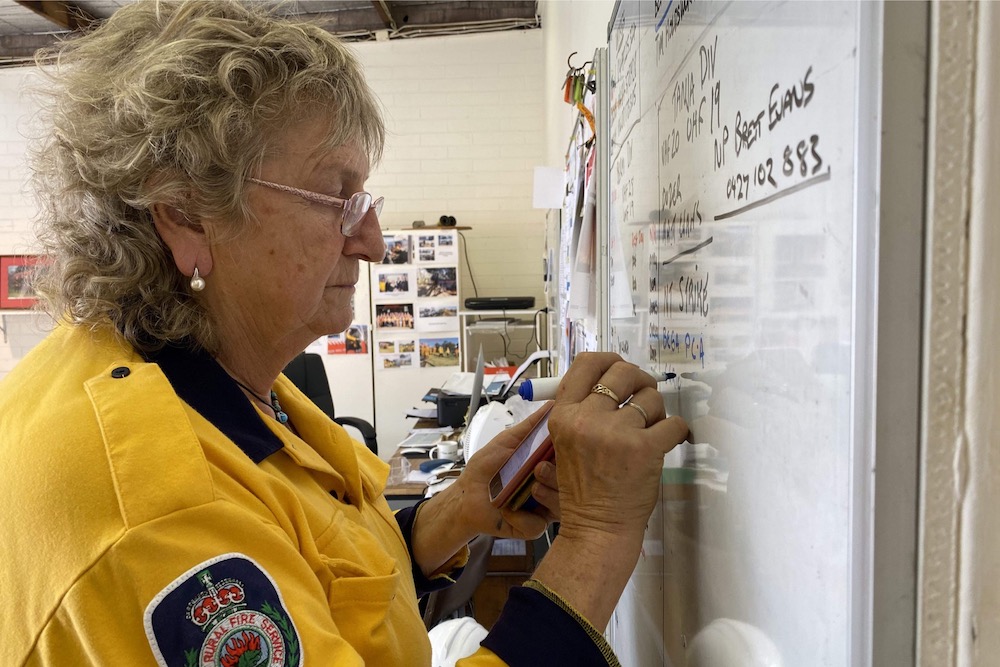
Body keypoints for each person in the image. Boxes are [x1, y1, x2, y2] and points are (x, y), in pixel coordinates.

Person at [0, 2, 689, 666]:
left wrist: (455, 512)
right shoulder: (156, 505)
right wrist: (597, 539)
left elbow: (320, 564)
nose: (374, 242)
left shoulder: (219, 386)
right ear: (183, 213)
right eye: (336, 197)